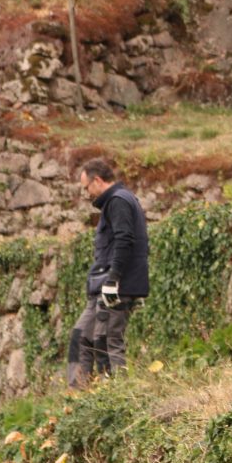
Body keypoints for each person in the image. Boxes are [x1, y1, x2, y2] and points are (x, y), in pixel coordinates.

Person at [67, 158, 150, 389]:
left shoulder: (118, 201)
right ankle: (79, 396)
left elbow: (125, 240)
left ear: (97, 180)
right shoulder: (120, 200)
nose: (86, 194)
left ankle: (117, 395)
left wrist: (113, 280)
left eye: (87, 188)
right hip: (106, 285)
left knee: (107, 342)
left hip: (115, 286)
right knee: (83, 337)